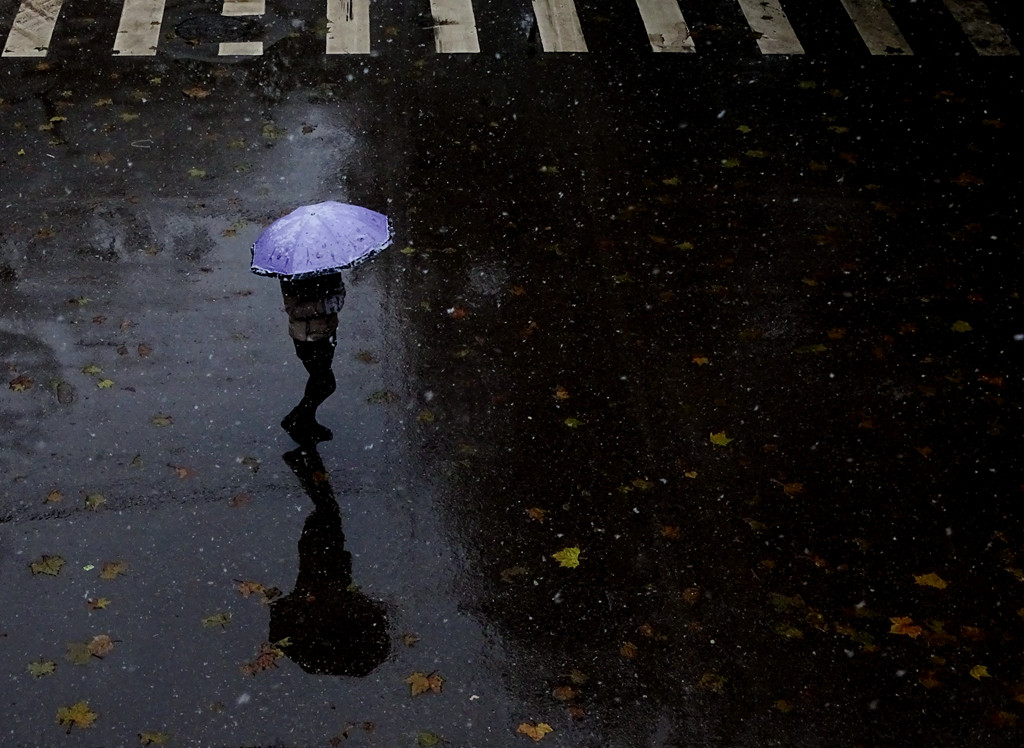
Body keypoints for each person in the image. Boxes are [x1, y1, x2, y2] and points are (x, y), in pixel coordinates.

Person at [279, 272, 345, 443]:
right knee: (326, 384)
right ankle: (297, 419)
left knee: (318, 380)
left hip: (328, 332)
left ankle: (306, 421)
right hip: (307, 339)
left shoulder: (328, 266)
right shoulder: (291, 273)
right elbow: (293, 309)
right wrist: (323, 306)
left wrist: (339, 295)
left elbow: (338, 293)